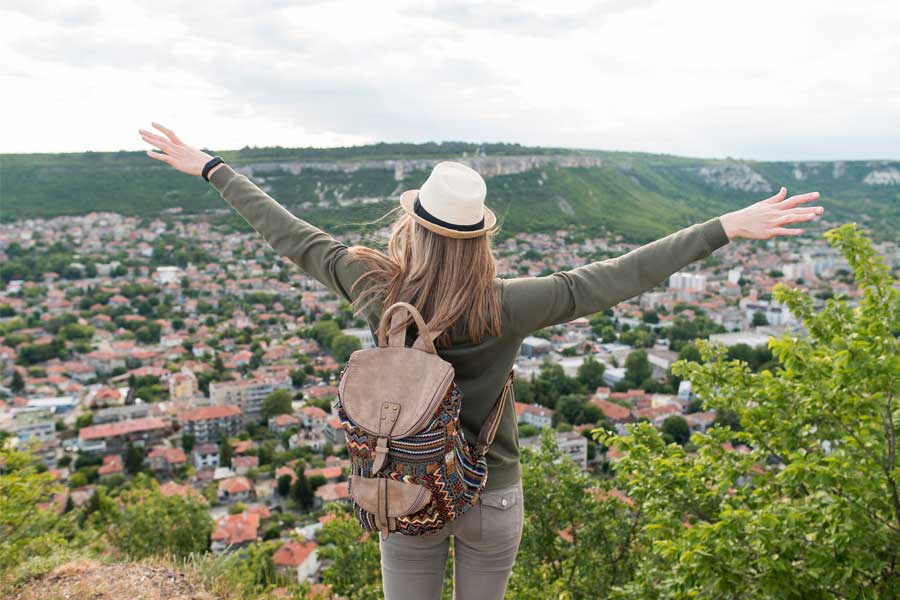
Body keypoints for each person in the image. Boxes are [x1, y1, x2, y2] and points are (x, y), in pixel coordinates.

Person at [139, 122, 825, 599]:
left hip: (402, 484)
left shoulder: (376, 287)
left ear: (414, 226)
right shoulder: (510, 304)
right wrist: (724, 227)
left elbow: (294, 235)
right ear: (479, 238)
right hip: (490, 490)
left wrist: (211, 167)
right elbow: (619, 274)